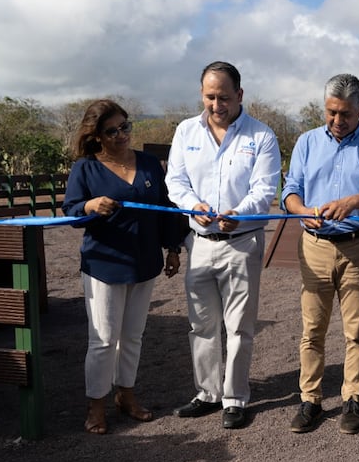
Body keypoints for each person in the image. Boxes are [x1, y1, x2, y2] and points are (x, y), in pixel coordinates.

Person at [166, 61, 281, 429]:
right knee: (201, 324)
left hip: (241, 242)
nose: (217, 105)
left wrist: (241, 213)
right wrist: (192, 206)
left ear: (240, 95)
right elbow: (176, 181)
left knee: (239, 326)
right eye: (210, 96)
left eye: (224, 97)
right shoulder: (186, 131)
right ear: (202, 94)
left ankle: (234, 397)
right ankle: (208, 393)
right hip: (198, 242)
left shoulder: (261, 136)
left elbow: (264, 190)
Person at [282, 73, 359, 435]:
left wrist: (352, 202)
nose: (337, 120)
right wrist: (303, 213)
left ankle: (352, 398)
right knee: (312, 328)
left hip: (358, 247)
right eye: (331, 112)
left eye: (346, 113)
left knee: (355, 328)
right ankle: (310, 399)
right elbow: (290, 192)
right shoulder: (306, 142)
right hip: (314, 246)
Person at [62, 99, 183, 435]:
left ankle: (125, 395)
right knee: (102, 339)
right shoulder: (85, 168)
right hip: (105, 264)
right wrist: (89, 204)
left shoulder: (147, 164)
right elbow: (71, 211)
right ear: (97, 135)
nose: (120, 135)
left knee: (132, 336)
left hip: (145, 262)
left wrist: (173, 248)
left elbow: (165, 208)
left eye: (124, 127)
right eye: (111, 131)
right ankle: (96, 404)